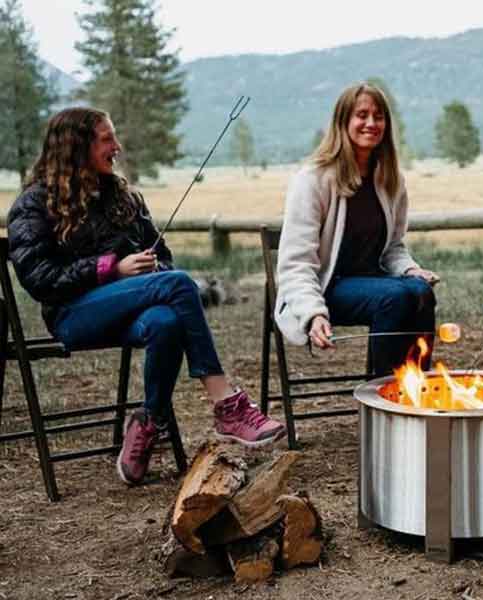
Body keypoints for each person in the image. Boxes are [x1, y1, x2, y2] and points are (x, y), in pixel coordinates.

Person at [7, 108, 286, 486]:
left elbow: (164, 257)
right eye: (107, 139)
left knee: (166, 320)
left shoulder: (124, 198)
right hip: (72, 315)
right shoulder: (34, 204)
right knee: (178, 283)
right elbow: (38, 279)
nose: (117, 147)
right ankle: (227, 404)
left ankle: (149, 422)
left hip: (134, 314)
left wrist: (151, 271)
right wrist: (111, 269)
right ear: (77, 147)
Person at [274, 83, 438, 374]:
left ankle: (416, 389)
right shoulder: (313, 179)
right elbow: (295, 264)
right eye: (362, 115)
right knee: (397, 297)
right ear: (343, 122)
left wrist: (411, 270)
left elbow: (393, 248)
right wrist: (313, 314)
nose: (371, 123)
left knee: (421, 291)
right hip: (326, 286)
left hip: (373, 282)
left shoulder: (390, 179)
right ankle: (384, 397)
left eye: (379, 116)